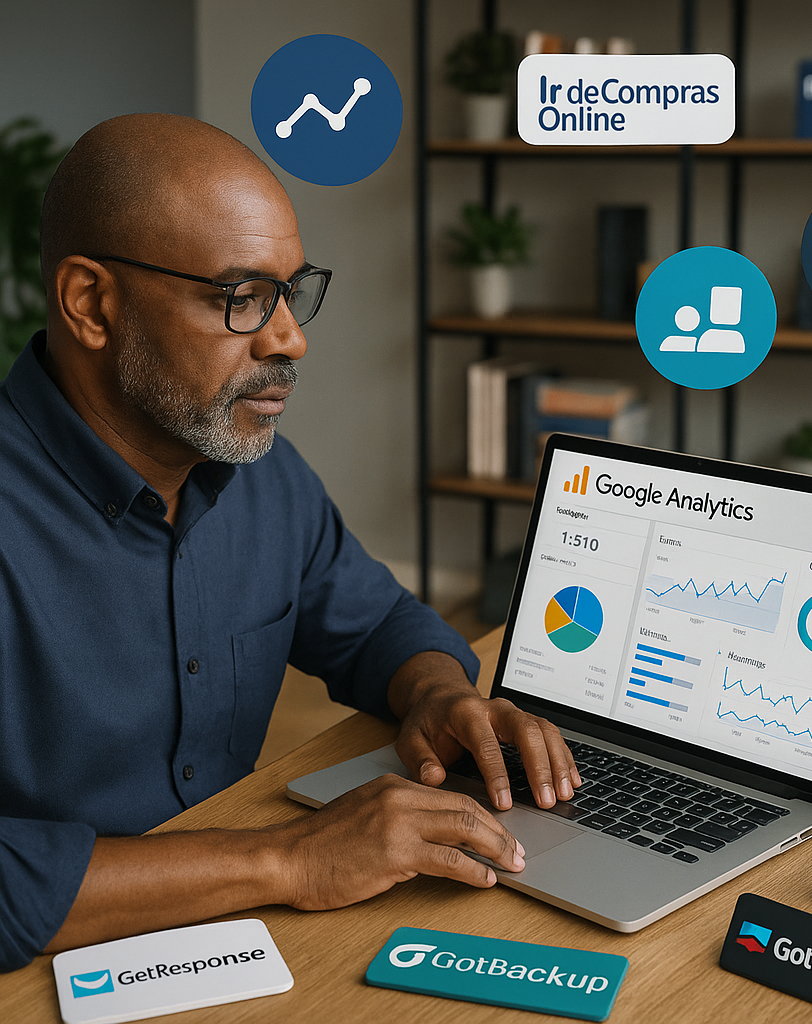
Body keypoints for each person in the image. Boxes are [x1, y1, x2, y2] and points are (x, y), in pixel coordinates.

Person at [0, 113, 579, 973]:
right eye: (239, 297)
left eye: (291, 292)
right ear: (93, 304)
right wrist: (290, 858)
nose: (290, 339)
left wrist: (436, 694)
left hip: (250, 947)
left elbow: (378, 623)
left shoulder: (260, 473)